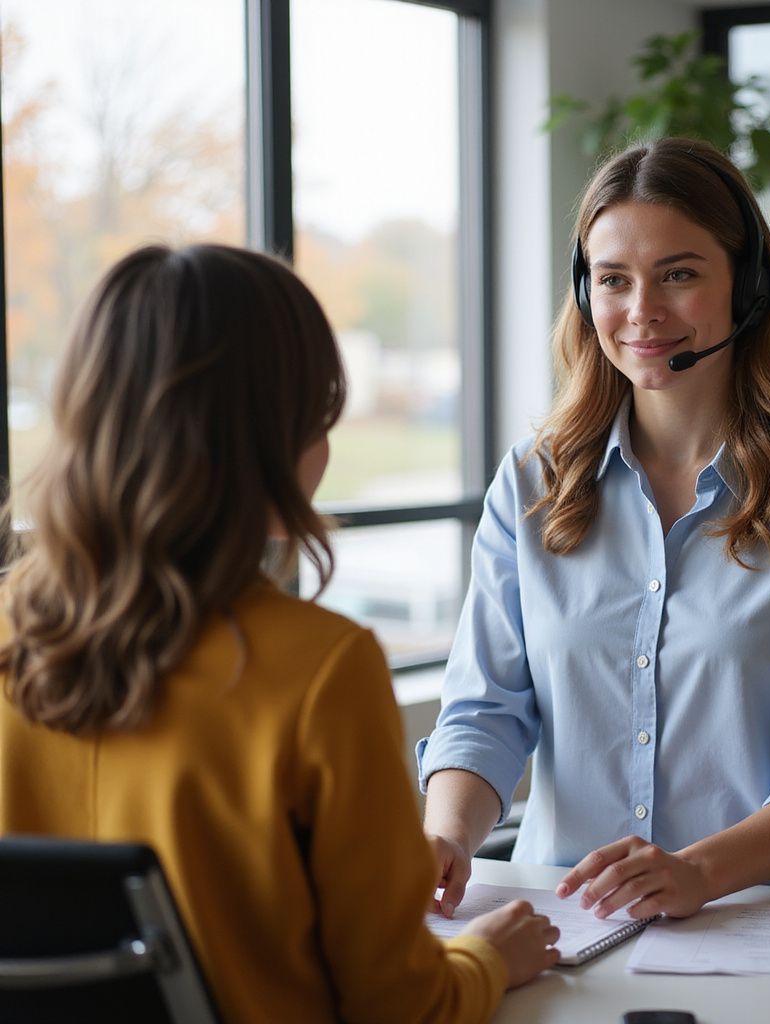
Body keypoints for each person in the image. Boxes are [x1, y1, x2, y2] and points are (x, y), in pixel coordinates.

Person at [0, 244, 559, 1022]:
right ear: (274, 433)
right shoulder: (322, 671)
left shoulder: (10, 639)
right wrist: (487, 957)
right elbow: (398, 1008)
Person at [418, 136, 770, 924]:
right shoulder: (530, 485)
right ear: (586, 296)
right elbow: (485, 714)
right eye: (613, 280)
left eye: (679, 274)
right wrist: (445, 836)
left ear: (745, 287)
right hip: (567, 920)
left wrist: (696, 873)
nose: (641, 311)